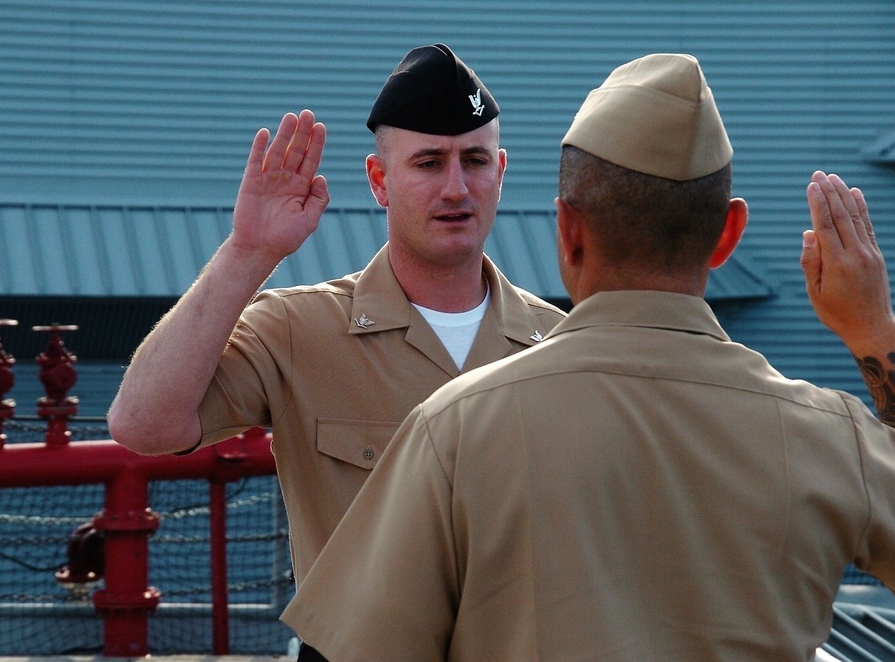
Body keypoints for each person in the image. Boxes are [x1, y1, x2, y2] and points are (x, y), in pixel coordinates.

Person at [281, 53, 895, 661]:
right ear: (727, 235)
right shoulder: (833, 437)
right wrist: (875, 333)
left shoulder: (455, 428)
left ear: (567, 230)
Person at [107, 43, 563, 604]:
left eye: (475, 160)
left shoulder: (560, 345)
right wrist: (249, 252)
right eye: (427, 162)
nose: (455, 188)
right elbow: (143, 423)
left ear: (501, 171)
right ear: (378, 180)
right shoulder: (299, 329)